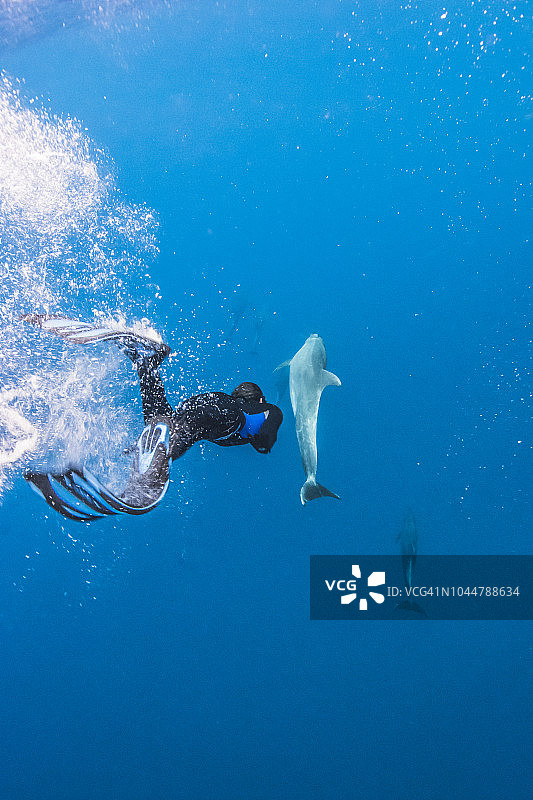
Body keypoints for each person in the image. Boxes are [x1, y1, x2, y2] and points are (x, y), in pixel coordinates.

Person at [22, 316, 283, 521]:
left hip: (199, 408)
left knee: (162, 420)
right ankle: (151, 462)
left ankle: (147, 360)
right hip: (221, 414)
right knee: (173, 438)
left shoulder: (229, 408)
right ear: (259, 399)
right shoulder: (266, 410)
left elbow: (196, 427)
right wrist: (264, 443)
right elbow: (268, 436)